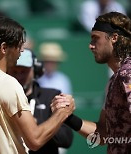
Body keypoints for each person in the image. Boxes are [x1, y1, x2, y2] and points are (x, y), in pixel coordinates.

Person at [0, 16, 75, 154]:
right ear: (4, 48)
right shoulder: (8, 84)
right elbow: (34, 140)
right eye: (18, 45)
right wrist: (62, 113)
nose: (22, 50)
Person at [53, 12, 131, 153]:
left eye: (96, 39)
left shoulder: (128, 74)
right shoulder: (114, 81)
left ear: (114, 38)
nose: (90, 45)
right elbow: (103, 134)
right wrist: (67, 117)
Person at [7, 48, 73, 154]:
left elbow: (66, 139)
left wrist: (34, 124)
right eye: (15, 71)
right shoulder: (1, 98)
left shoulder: (52, 96)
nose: (19, 76)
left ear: (36, 70)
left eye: (24, 71)